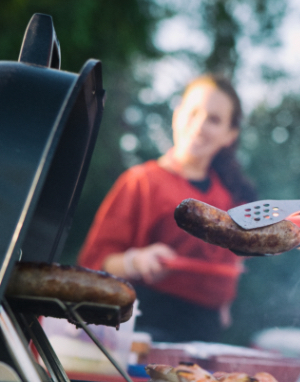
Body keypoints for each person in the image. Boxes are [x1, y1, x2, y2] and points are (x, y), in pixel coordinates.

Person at [78, 74, 257, 343]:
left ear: (229, 136)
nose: (200, 125)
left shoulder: (231, 198)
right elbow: (92, 265)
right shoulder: (141, 182)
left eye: (214, 119)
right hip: (140, 327)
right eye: (193, 112)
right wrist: (136, 261)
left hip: (204, 335)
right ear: (177, 115)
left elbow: (234, 264)